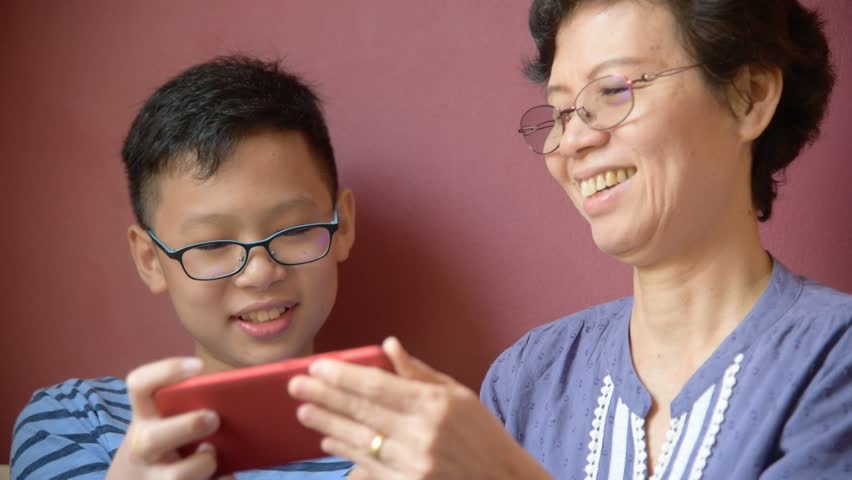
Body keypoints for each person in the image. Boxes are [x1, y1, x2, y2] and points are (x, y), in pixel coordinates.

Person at [287, 0, 852, 478]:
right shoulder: (528, 377)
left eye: (613, 89)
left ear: (749, 97)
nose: (572, 141)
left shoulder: (834, 359)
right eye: (560, 111)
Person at [11, 55, 357, 479]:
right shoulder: (79, 421)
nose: (260, 272)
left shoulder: (421, 435)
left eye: (293, 229)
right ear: (150, 260)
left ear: (342, 226)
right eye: (212, 243)